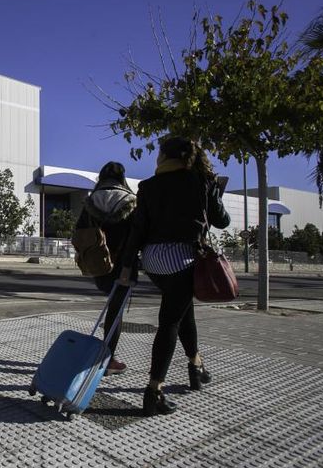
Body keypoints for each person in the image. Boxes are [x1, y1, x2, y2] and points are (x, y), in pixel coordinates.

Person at [118, 137, 230, 416]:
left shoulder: (148, 186)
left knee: (182, 311)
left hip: (153, 261)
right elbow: (222, 221)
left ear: (164, 157)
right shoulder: (199, 180)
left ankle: (196, 367)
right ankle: (154, 392)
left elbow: (138, 229)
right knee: (170, 321)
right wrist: (214, 191)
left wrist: (127, 265)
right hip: (183, 258)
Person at [75, 161, 137, 375]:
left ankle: (105, 354)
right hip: (125, 266)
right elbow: (137, 237)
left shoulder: (91, 201)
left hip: (98, 263)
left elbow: (79, 232)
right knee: (115, 311)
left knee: (111, 304)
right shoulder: (131, 201)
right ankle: (108, 357)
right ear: (122, 179)